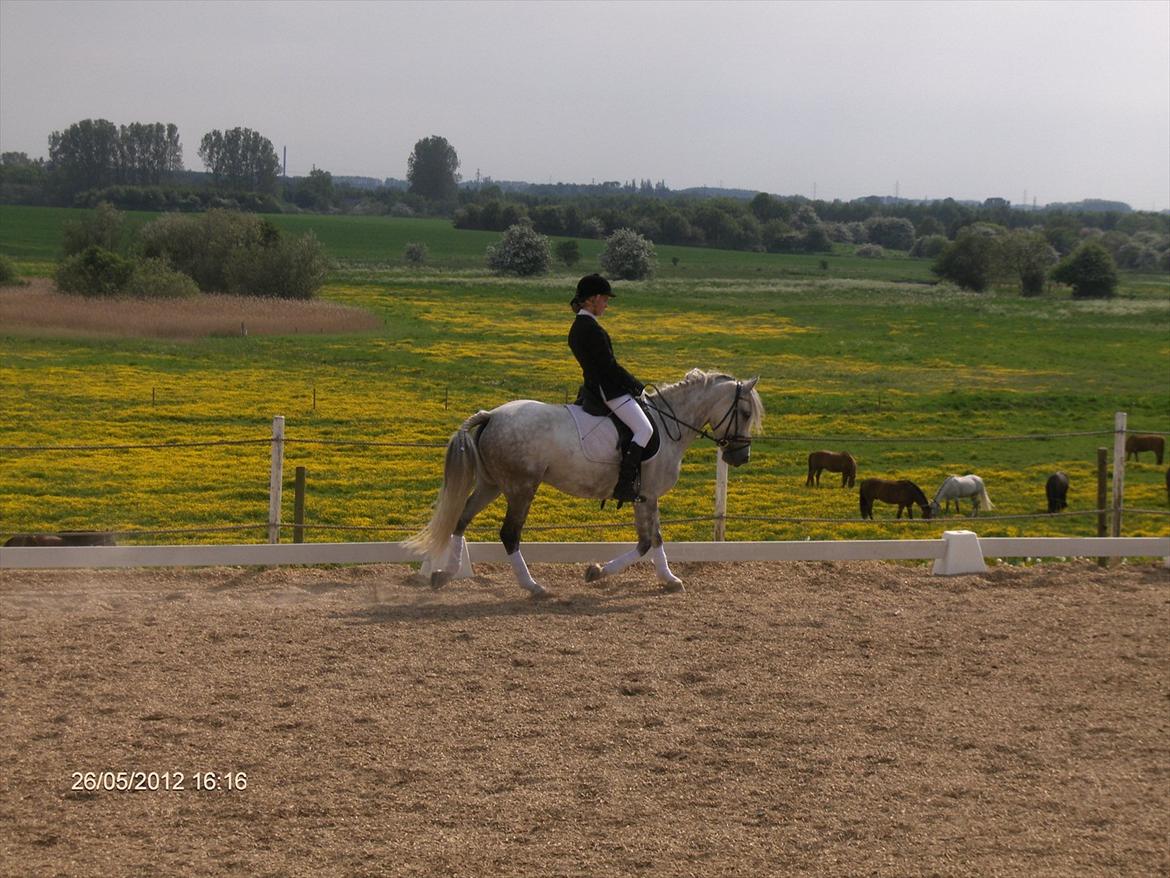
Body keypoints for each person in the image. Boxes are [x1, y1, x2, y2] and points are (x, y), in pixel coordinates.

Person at [568, 273, 653, 503]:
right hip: (607, 391)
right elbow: (609, 367)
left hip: (593, 387)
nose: (606, 304)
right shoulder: (591, 329)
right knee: (645, 430)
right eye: (605, 299)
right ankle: (625, 484)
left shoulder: (578, 327)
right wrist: (636, 385)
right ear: (593, 299)